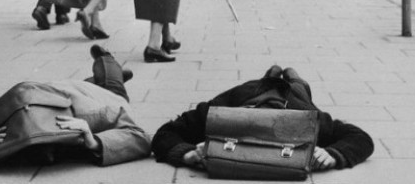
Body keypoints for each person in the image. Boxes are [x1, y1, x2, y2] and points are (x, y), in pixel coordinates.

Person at [0, 45, 151, 167]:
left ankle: (106, 59)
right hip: (49, 90)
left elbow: (141, 138)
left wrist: (94, 141)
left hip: (97, 94)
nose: (50, 159)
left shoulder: (94, 112)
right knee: (92, 83)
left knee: (112, 82)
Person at [151, 65, 374, 172]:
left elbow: (360, 138)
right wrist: (187, 154)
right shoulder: (221, 108)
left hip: (292, 95)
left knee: (299, 85)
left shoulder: (303, 116)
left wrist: (333, 154)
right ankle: (273, 75)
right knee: (272, 79)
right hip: (252, 90)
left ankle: (290, 75)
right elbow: (165, 133)